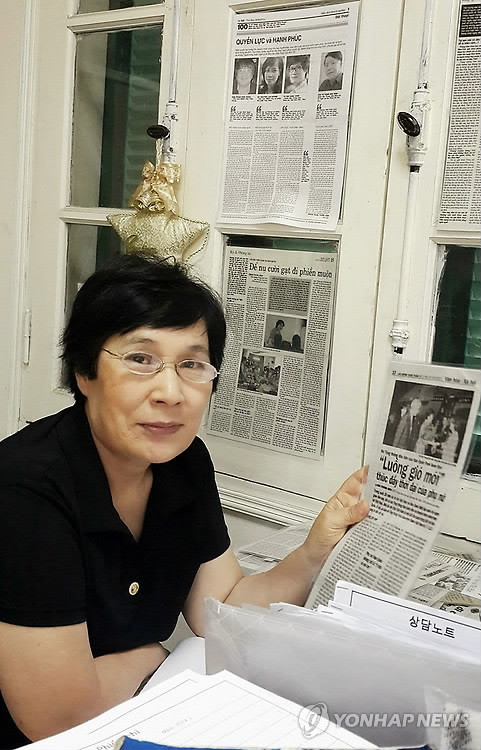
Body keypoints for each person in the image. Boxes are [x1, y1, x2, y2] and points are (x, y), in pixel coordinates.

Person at [0, 254, 368, 748]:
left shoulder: (184, 462)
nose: (171, 392)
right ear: (84, 373)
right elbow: (56, 717)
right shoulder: (24, 489)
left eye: (192, 364)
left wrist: (314, 551)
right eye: (140, 359)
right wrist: (153, 657)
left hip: (126, 715)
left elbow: (222, 609)